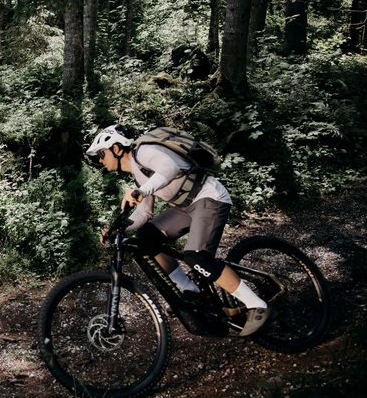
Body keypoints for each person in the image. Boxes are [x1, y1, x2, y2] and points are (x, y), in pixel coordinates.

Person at [86, 124, 269, 336]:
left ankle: (257, 305)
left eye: (101, 154)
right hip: (185, 207)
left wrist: (141, 190)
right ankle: (190, 289)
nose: (100, 161)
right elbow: (145, 213)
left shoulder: (143, 152)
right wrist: (119, 229)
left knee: (197, 257)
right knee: (145, 238)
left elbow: (170, 167)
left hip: (209, 197)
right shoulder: (138, 175)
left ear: (117, 149)